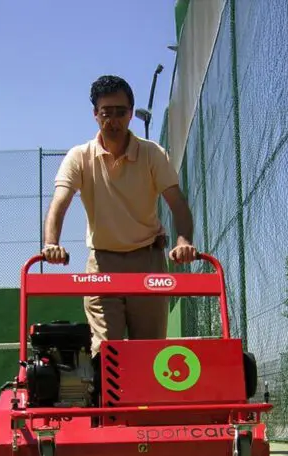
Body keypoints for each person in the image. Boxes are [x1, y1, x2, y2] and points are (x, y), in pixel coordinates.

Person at [42, 74, 198, 357]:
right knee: (105, 352)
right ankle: (105, 383)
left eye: (120, 112)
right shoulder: (79, 157)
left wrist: (184, 241)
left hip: (147, 261)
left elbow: (177, 202)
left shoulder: (152, 154)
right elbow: (60, 202)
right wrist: (51, 243)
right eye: (106, 113)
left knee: (149, 354)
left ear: (130, 114)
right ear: (95, 114)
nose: (113, 121)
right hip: (103, 264)